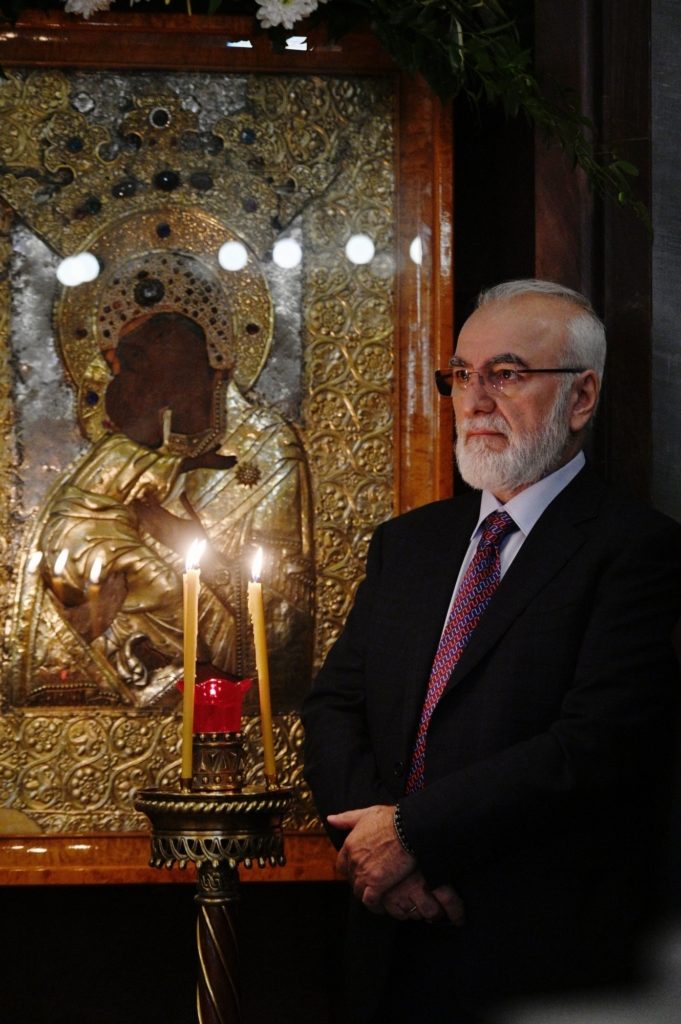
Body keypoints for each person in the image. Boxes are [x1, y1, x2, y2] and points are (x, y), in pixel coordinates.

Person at [301, 279, 681, 1023]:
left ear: (580, 396)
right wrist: (381, 859)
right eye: (461, 374)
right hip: (383, 942)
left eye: (505, 374)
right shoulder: (407, 544)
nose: (474, 400)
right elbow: (333, 707)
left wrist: (411, 835)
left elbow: (591, 745)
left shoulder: (636, 551)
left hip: (532, 951)